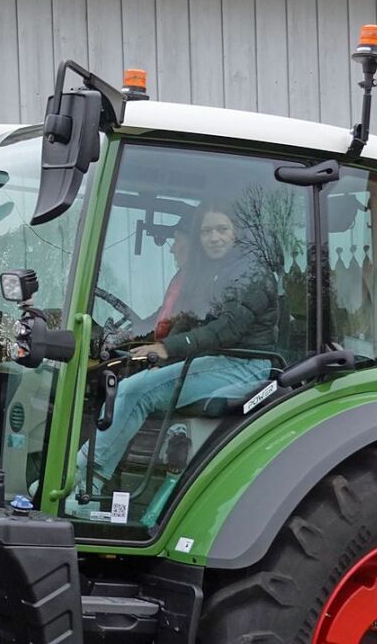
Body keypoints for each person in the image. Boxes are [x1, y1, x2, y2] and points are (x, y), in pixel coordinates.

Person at [72, 201, 278, 512]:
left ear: (238, 234)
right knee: (126, 380)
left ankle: (84, 485)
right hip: (217, 361)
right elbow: (186, 319)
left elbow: (228, 329)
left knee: (133, 391)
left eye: (222, 229)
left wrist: (169, 348)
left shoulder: (253, 275)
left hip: (243, 365)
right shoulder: (211, 274)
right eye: (207, 231)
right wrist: (135, 342)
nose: (214, 237)